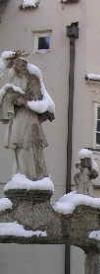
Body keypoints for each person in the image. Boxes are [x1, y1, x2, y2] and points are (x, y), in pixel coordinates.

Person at [0, 51, 54, 180]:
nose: (17, 67)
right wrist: (9, 100)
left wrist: (23, 101)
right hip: (18, 117)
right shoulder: (13, 79)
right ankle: (22, 175)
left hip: (29, 118)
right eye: (15, 64)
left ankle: (31, 176)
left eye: (21, 64)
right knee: (19, 148)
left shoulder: (32, 79)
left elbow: (40, 101)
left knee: (29, 146)